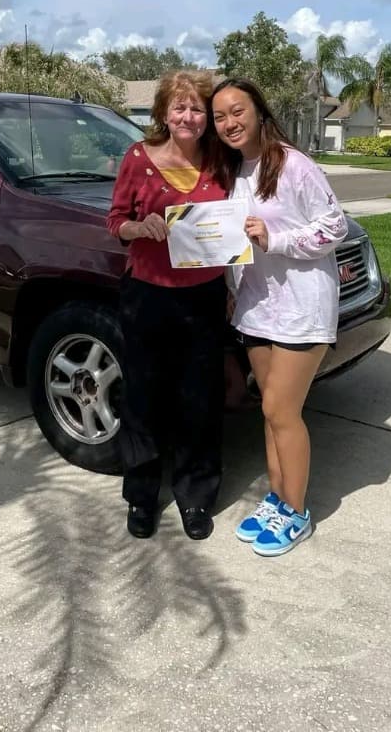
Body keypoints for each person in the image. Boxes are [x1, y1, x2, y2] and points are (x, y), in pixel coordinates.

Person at [210, 78, 348, 557]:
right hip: (256, 308)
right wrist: (231, 289)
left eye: (237, 111)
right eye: (220, 116)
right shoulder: (231, 171)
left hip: (301, 307)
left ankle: (298, 512)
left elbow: (336, 226)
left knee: (280, 412)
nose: (229, 123)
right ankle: (277, 499)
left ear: (259, 111)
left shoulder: (293, 164)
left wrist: (277, 239)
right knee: (269, 414)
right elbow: (229, 243)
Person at [107, 71, 227, 541]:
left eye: (197, 108)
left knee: (199, 399)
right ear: (162, 112)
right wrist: (140, 228)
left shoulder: (221, 160)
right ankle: (141, 494)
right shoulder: (138, 159)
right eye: (179, 107)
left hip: (205, 296)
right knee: (143, 398)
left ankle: (196, 496)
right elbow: (115, 221)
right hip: (148, 294)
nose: (188, 116)